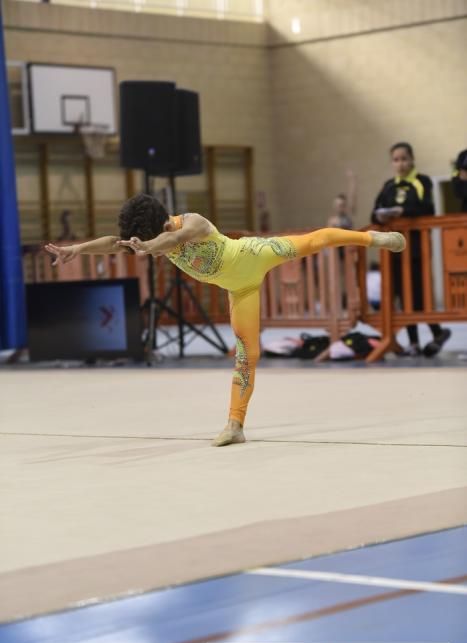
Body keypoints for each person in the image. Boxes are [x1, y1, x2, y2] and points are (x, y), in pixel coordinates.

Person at [45, 194, 405, 447]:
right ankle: (235, 425)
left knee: (314, 241)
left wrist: (152, 247)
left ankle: (373, 238)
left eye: (150, 239)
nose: (145, 246)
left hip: (252, 255)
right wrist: (78, 249)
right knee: (248, 356)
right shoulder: (148, 237)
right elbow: (114, 242)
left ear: (159, 227)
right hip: (241, 290)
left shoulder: (192, 222)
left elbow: (176, 238)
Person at [371, 142, 450, 357]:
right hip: (394, 251)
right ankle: (415, 341)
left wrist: (402, 211)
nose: (400, 163)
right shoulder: (388, 186)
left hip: (416, 249)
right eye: (396, 160)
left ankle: (438, 332)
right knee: (403, 297)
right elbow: (374, 213)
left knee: (419, 295)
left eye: (404, 158)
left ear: (412, 159)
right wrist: (382, 216)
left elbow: (427, 208)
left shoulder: (421, 181)